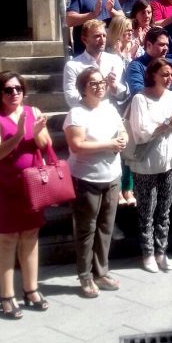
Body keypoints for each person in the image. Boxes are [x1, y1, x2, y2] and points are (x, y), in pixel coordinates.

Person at [0, 71, 52, 318]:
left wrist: (39, 129)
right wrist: (20, 134)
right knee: (8, 239)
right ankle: (7, 294)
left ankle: (31, 289)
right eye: (8, 90)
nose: (14, 93)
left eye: (18, 89)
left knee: (31, 236)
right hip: (4, 188)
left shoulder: (32, 111)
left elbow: (44, 145)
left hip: (30, 186)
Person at [63, 67, 126, 298]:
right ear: (83, 89)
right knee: (86, 229)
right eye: (93, 84)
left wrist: (122, 140)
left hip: (112, 176)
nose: (100, 86)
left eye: (101, 82)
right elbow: (76, 145)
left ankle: (101, 272)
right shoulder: (76, 113)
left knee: (106, 228)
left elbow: (122, 131)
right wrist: (108, 145)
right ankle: (85, 276)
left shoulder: (110, 108)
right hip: (86, 178)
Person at [128, 58, 172, 272]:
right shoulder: (140, 99)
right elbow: (141, 133)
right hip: (146, 163)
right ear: (152, 75)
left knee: (164, 210)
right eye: (164, 74)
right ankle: (148, 253)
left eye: (170, 74)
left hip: (169, 161)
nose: (168, 78)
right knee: (147, 211)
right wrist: (168, 122)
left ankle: (161, 251)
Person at [105, 16, 138, 207]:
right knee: (119, 148)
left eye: (130, 29)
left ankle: (128, 188)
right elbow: (116, 86)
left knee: (130, 149)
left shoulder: (132, 52)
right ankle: (118, 190)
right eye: (125, 29)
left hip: (131, 104)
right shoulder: (110, 55)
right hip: (117, 106)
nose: (129, 33)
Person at [63, 19, 127, 108]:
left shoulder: (115, 61)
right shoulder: (73, 65)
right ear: (84, 39)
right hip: (85, 114)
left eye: (104, 36)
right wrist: (99, 91)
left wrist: (113, 86)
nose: (102, 40)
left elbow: (122, 95)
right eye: (97, 36)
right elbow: (71, 99)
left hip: (110, 113)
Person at [124, 27, 172, 96]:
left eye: (167, 45)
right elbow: (137, 92)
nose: (166, 48)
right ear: (149, 45)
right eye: (161, 44)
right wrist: (167, 83)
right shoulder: (136, 66)